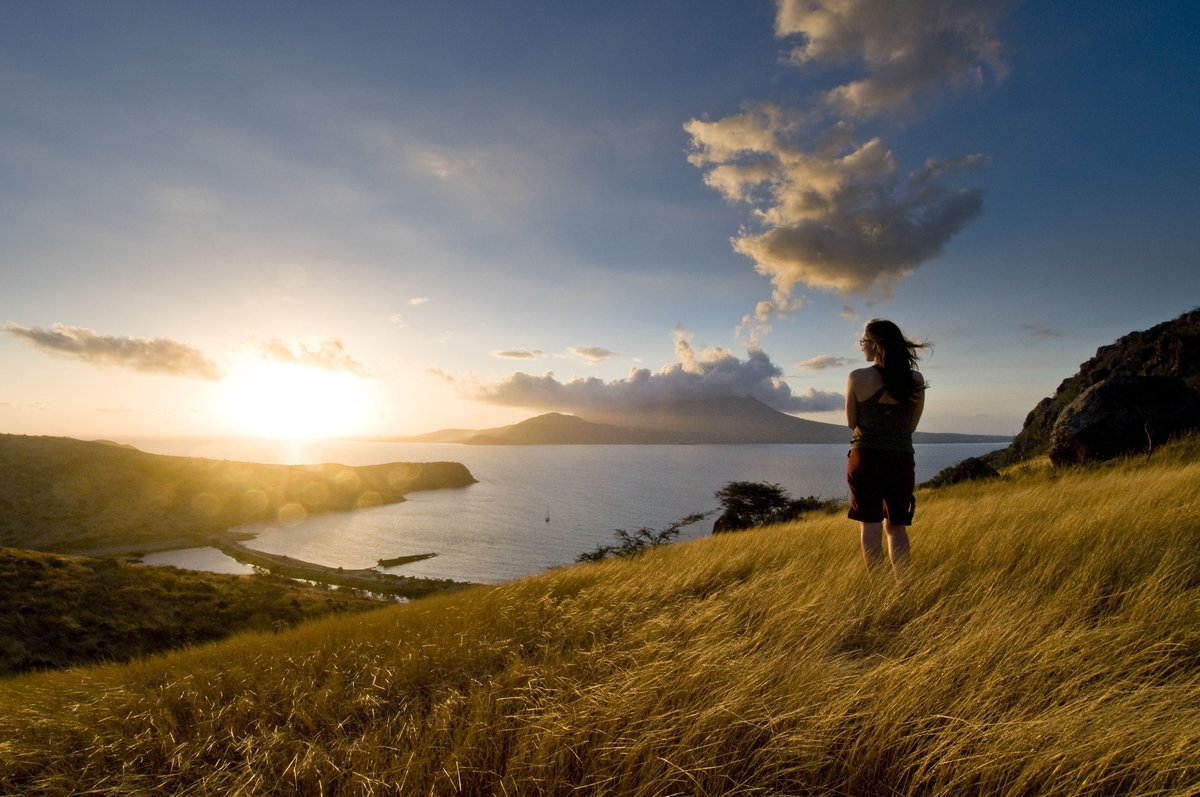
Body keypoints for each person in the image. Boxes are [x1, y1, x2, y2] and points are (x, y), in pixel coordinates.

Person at [846, 319, 928, 581]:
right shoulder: (915, 380)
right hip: (900, 458)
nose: (861, 348)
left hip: (866, 457)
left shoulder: (857, 377)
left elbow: (851, 422)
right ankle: (903, 587)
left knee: (870, 527)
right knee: (897, 528)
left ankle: (879, 589)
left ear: (874, 344)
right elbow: (911, 426)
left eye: (863, 342)